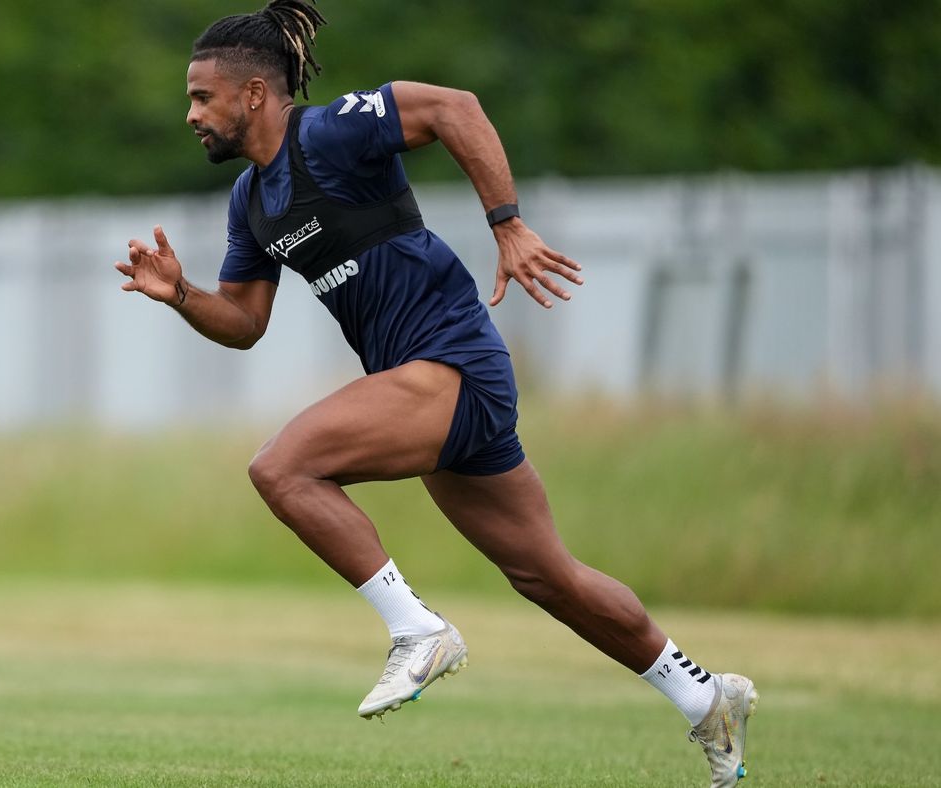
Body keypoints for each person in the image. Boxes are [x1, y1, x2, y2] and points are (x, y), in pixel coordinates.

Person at [112, 2, 757, 785]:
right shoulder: (250, 201)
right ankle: (706, 698)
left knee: (281, 468)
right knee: (548, 576)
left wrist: (507, 225)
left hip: (451, 363)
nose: (190, 114)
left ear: (253, 94)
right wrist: (182, 294)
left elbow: (457, 108)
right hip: (423, 385)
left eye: (201, 97)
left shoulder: (331, 132)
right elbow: (246, 322)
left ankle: (416, 631)